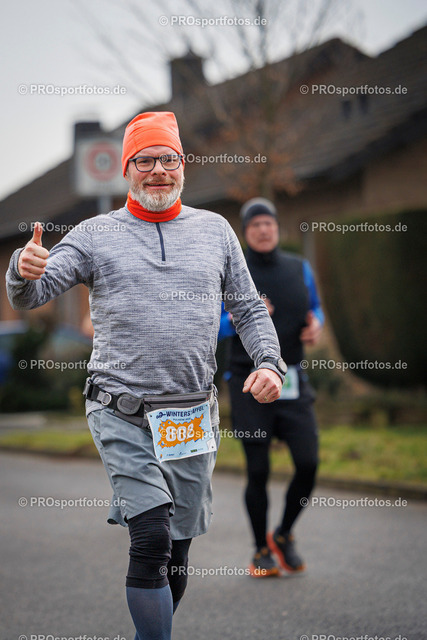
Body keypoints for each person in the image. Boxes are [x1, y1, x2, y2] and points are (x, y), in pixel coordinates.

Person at [6, 113, 287, 640]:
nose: (158, 170)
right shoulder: (96, 234)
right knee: (152, 535)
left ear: (182, 166)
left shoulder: (215, 231)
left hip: (192, 417)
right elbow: (33, 292)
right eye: (145, 160)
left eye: (168, 159)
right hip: (121, 411)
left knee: (176, 549)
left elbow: (249, 308)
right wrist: (23, 267)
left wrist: (269, 362)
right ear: (126, 169)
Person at [220, 198, 324, 578]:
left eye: (269, 223)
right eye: (255, 225)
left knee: (308, 463)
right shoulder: (235, 270)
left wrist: (317, 325)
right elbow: (214, 323)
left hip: (292, 379)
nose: (264, 230)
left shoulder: (299, 267)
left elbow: (316, 307)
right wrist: (240, 317)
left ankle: (283, 534)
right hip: (248, 381)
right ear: (245, 232)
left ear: (278, 228)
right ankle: (260, 550)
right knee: (259, 469)